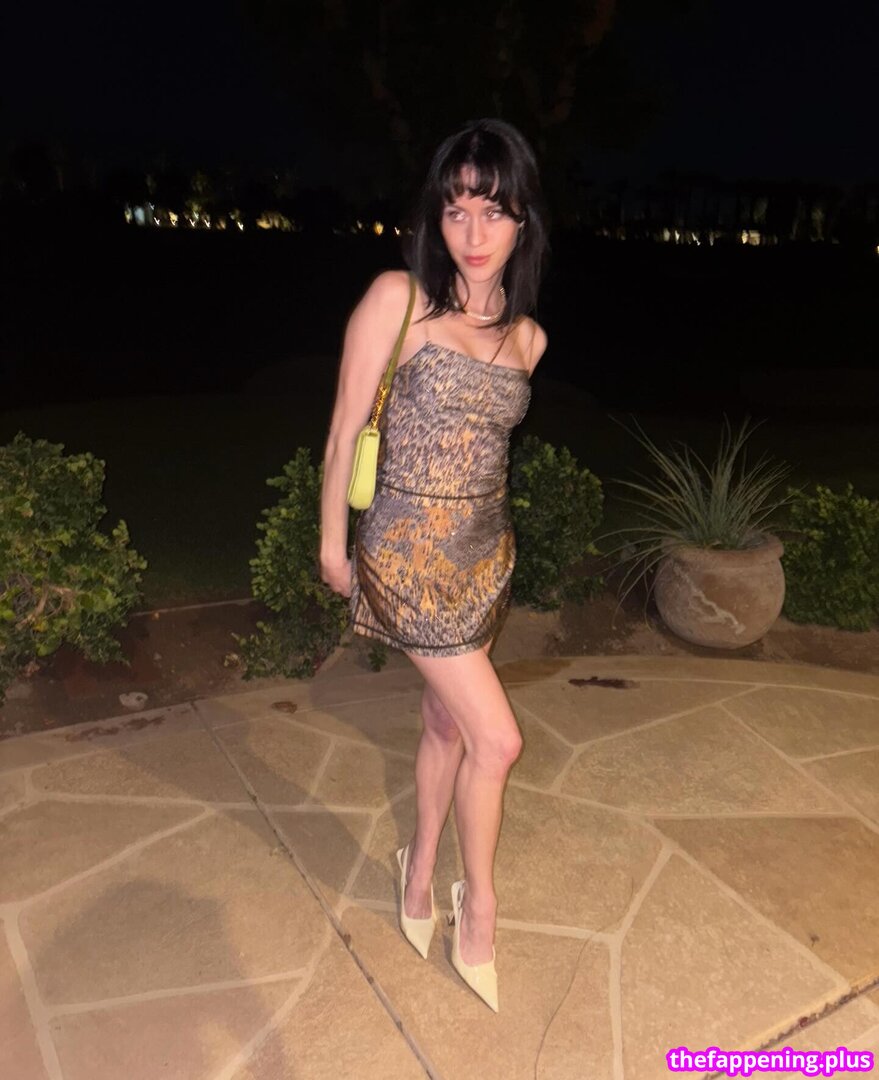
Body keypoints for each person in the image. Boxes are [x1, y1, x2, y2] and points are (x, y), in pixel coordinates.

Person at [319, 117, 550, 1012]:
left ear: (522, 220)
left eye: (493, 211)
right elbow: (344, 430)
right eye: (456, 211)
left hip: (483, 556)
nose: (473, 232)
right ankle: (477, 906)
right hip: (405, 552)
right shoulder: (400, 301)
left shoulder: (529, 339)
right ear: (435, 219)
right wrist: (332, 544)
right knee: (499, 739)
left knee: (447, 725)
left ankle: (417, 866)